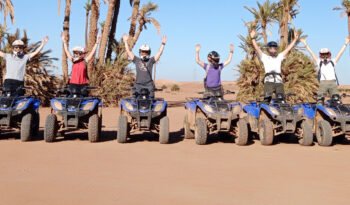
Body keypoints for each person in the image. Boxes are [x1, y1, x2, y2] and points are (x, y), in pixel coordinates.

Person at [250, 29, 299, 100]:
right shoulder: (264, 57)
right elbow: (257, 48)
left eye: (274, 48)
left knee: (281, 100)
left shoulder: (279, 56)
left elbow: (288, 49)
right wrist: (252, 38)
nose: (273, 50)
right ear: (268, 49)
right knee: (267, 99)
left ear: (276, 49)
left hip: (279, 81)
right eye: (271, 48)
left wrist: (295, 39)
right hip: (268, 82)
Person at [300, 37, 350, 102]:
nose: (325, 56)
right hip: (323, 83)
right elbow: (312, 53)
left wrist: (346, 43)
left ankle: (337, 110)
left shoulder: (333, 61)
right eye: (323, 54)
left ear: (328, 54)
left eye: (326, 54)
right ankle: (319, 110)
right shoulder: (319, 62)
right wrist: (305, 44)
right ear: (321, 55)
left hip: (332, 83)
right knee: (319, 100)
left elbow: (340, 53)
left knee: (337, 99)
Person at [122, 34, 167, 98]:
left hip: (149, 85)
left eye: (146, 52)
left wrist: (163, 44)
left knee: (151, 102)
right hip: (138, 85)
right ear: (140, 52)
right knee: (135, 102)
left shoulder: (151, 60)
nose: (144, 53)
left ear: (149, 53)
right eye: (142, 52)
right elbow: (129, 51)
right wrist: (125, 42)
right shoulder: (136, 60)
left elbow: (159, 52)